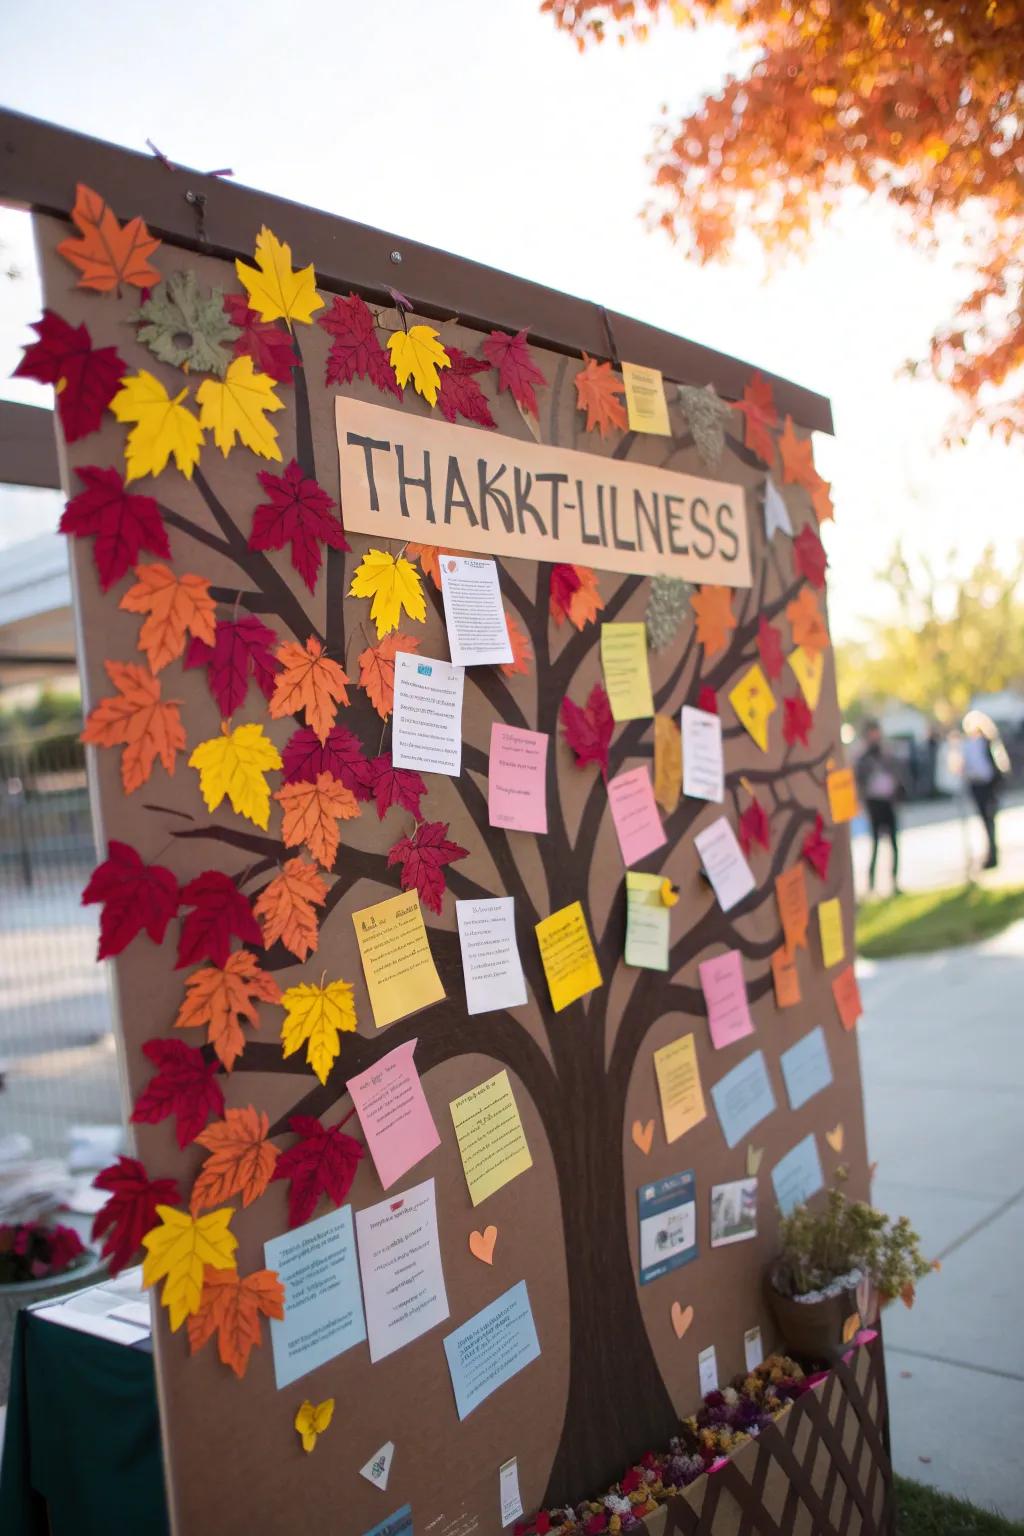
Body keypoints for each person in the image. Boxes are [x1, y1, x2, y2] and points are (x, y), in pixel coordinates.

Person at [855, 720, 903, 895]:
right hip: (874, 803)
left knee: (894, 842)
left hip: (888, 801)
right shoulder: (863, 758)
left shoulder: (887, 754)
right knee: (875, 843)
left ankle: (894, 880)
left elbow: (898, 774)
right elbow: (860, 780)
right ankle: (871, 883)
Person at [961, 710, 1011, 870]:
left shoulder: (988, 743)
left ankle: (993, 856)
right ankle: (990, 854)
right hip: (977, 786)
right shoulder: (968, 745)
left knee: (990, 821)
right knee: (985, 822)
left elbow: (999, 767)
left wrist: (995, 787)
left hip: (988, 787)